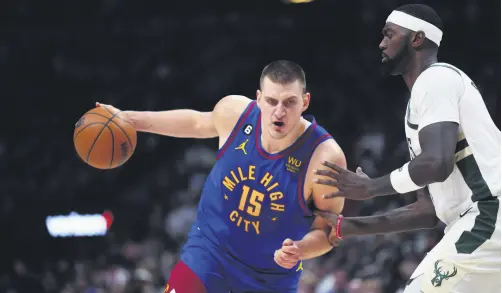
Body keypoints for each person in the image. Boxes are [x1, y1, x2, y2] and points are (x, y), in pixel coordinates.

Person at [97, 60, 346, 293]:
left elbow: (326, 233)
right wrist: (127, 119)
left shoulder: (325, 158)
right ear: (258, 99)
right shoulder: (235, 113)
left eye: (289, 102)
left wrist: (300, 249)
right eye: (271, 101)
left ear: (305, 102)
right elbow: (195, 123)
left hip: (270, 277)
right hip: (209, 252)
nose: (279, 112)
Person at [314, 4, 501, 293]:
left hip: (489, 214)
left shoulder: (436, 79)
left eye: (389, 34)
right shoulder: (423, 104)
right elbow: (427, 211)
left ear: (417, 38)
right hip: (476, 223)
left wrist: (371, 188)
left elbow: (438, 164)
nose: (381, 43)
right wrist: (349, 226)